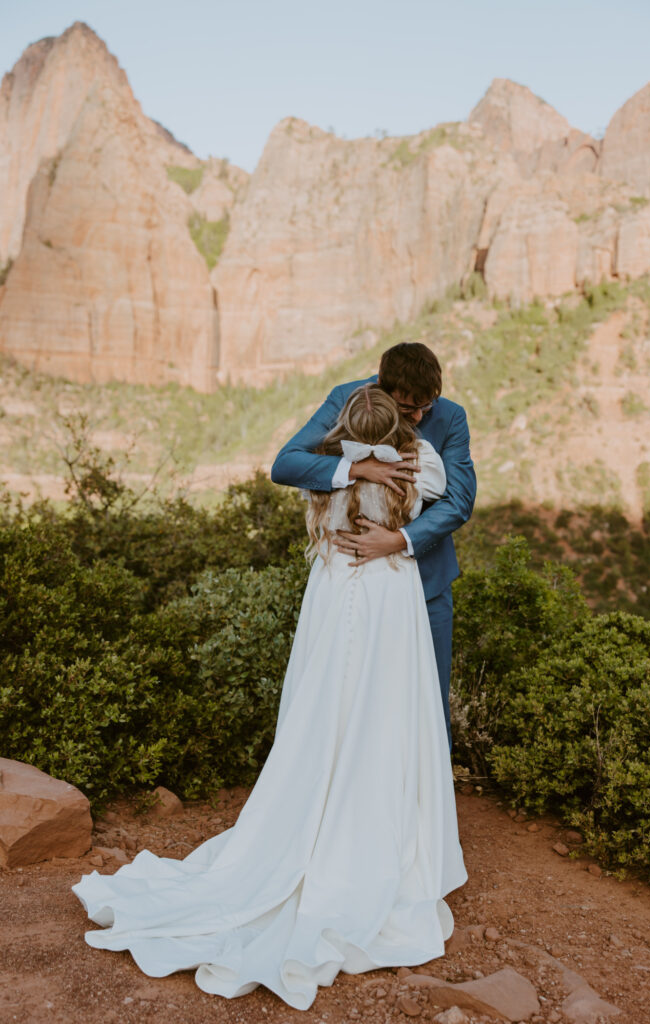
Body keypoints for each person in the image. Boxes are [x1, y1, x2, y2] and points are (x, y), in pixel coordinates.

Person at [71, 383, 468, 1011]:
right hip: (391, 594)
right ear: (399, 418)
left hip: (336, 585)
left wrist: (350, 460)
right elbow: (446, 493)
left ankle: (312, 807)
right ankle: (380, 824)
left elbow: (311, 467)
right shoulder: (419, 463)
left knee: (324, 702)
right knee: (386, 710)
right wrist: (397, 458)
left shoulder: (328, 474)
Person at [271, 341, 477, 751]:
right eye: (408, 409)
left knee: (427, 704)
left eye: (427, 406)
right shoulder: (346, 398)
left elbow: (460, 500)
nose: (419, 417)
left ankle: (424, 805)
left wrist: (399, 540)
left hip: (426, 582)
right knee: (352, 697)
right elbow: (286, 463)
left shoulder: (451, 417)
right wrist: (356, 468)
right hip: (354, 587)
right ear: (383, 388)